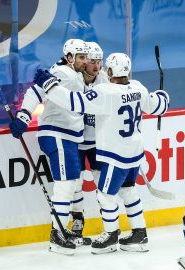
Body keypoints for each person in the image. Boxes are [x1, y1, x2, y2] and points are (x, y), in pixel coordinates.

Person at [32, 52, 170, 254]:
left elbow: (74, 102)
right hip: (135, 154)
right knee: (128, 190)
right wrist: (163, 96)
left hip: (116, 156)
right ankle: (140, 234)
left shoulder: (105, 92)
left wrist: (49, 86)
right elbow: (158, 105)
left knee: (106, 195)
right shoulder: (138, 88)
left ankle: (111, 236)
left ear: (111, 70)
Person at [9, 38, 90, 255]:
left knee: (73, 182)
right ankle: (57, 236)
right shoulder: (63, 73)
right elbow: (35, 92)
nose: (85, 61)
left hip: (68, 136)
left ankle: (64, 230)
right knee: (65, 184)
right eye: (81, 57)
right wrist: (24, 116)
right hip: (57, 134)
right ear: (70, 57)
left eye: (85, 57)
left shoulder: (72, 74)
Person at [71, 41, 109, 236]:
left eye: (99, 61)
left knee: (102, 183)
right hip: (76, 141)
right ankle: (77, 220)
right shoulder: (73, 79)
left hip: (98, 143)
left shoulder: (105, 81)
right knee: (75, 183)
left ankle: (108, 222)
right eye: (92, 61)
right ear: (84, 61)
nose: (96, 65)